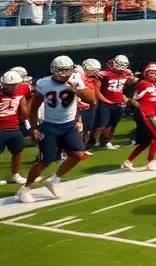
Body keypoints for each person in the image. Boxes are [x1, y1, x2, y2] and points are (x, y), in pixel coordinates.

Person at [15, 55, 96, 203]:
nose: (65, 76)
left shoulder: (76, 79)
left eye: (67, 72)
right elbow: (34, 107)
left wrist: (75, 86)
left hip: (68, 125)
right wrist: (33, 127)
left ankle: (54, 179)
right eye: (62, 72)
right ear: (54, 71)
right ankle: (25, 188)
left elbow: (91, 100)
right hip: (50, 125)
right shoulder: (44, 83)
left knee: (79, 155)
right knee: (46, 160)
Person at [123, 63, 156, 171]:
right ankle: (150, 162)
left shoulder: (152, 84)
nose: (154, 75)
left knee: (148, 140)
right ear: (146, 74)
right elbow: (134, 98)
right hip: (145, 114)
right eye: (152, 72)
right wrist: (141, 109)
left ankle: (128, 161)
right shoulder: (143, 84)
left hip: (150, 113)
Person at [92, 55, 133, 151]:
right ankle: (94, 141)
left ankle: (107, 141)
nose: (121, 69)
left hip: (118, 102)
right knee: (102, 124)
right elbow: (96, 89)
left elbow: (128, 86)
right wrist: (104, 100)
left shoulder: (127, 74)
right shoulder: (104, 74)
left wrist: (125, 97)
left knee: (113, 124)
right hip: (106, 102)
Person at [0, 69, 29, 185]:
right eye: (8, 85)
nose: (11, 88)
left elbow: (30, 95)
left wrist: (25, 111)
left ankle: (15, 175)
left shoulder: (23, 90)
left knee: (18, 150)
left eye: (13, 85)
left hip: (14, 127)